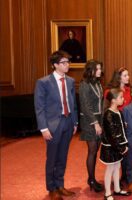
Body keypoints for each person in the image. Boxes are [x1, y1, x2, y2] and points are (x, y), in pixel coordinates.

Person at [34, 50, 78, 200]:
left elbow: (74, 104)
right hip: (52, 126)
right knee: (52, 158)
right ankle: (51, 188)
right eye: (64, 63)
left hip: (68, 122)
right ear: (55, 65)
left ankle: (60, 185)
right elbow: (39, 108)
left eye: (68, 62)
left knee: (63, 156)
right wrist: (44, 128)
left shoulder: (71, 81)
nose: (67, 65)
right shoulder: (43, 82)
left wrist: (75, 122)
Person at [79, 60, 104, 192]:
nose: (100, 71)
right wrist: (95, 124)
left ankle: (91, 178)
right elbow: (85, 106)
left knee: (95, 151)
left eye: (100, 68)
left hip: (99, 119)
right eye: (98, 69)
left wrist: (102, 121)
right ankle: (92, 179)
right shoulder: (84, 84)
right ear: (91, 70)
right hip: (89, 121)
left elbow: (101, 102)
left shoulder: (98, 83)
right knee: (92, 151)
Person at [100, 88, 130, 200]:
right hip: (111, 147)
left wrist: (125, 144)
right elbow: (111, 135)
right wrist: (120, 148)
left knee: (117, 167)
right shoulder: (108, 115)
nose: (124, 99)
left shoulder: (119, 112)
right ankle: (107, 193)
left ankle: (117, 189)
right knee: (110, 169)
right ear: (113, 100)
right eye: (121, 97)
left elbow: (122, 131)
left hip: (119, 146)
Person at [104, 67, 131, 185]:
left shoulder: (128, 89)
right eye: (125, 75)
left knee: (126, 149)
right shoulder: (110, 91)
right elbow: (108, 108)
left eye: (128, 75)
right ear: (119, 77)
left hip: (128, 123)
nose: (128, 77)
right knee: (117, 151)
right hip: (116, 124)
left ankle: (124, 175)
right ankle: (116, 179)